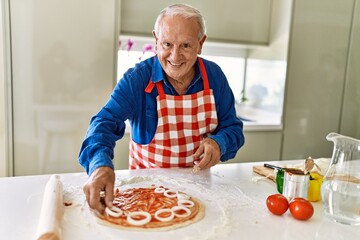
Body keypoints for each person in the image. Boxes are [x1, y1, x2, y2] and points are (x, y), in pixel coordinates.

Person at [79, 3, 245, 213]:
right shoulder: (136, 79)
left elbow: (233, 128)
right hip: (145, 191)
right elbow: (103, 123)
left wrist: (218, 143)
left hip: (200, 193)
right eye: (167, 44)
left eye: (186, 45)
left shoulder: (215, 77)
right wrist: (99, 166)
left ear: (201, 44)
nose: (175, 57)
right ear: (156, 40)